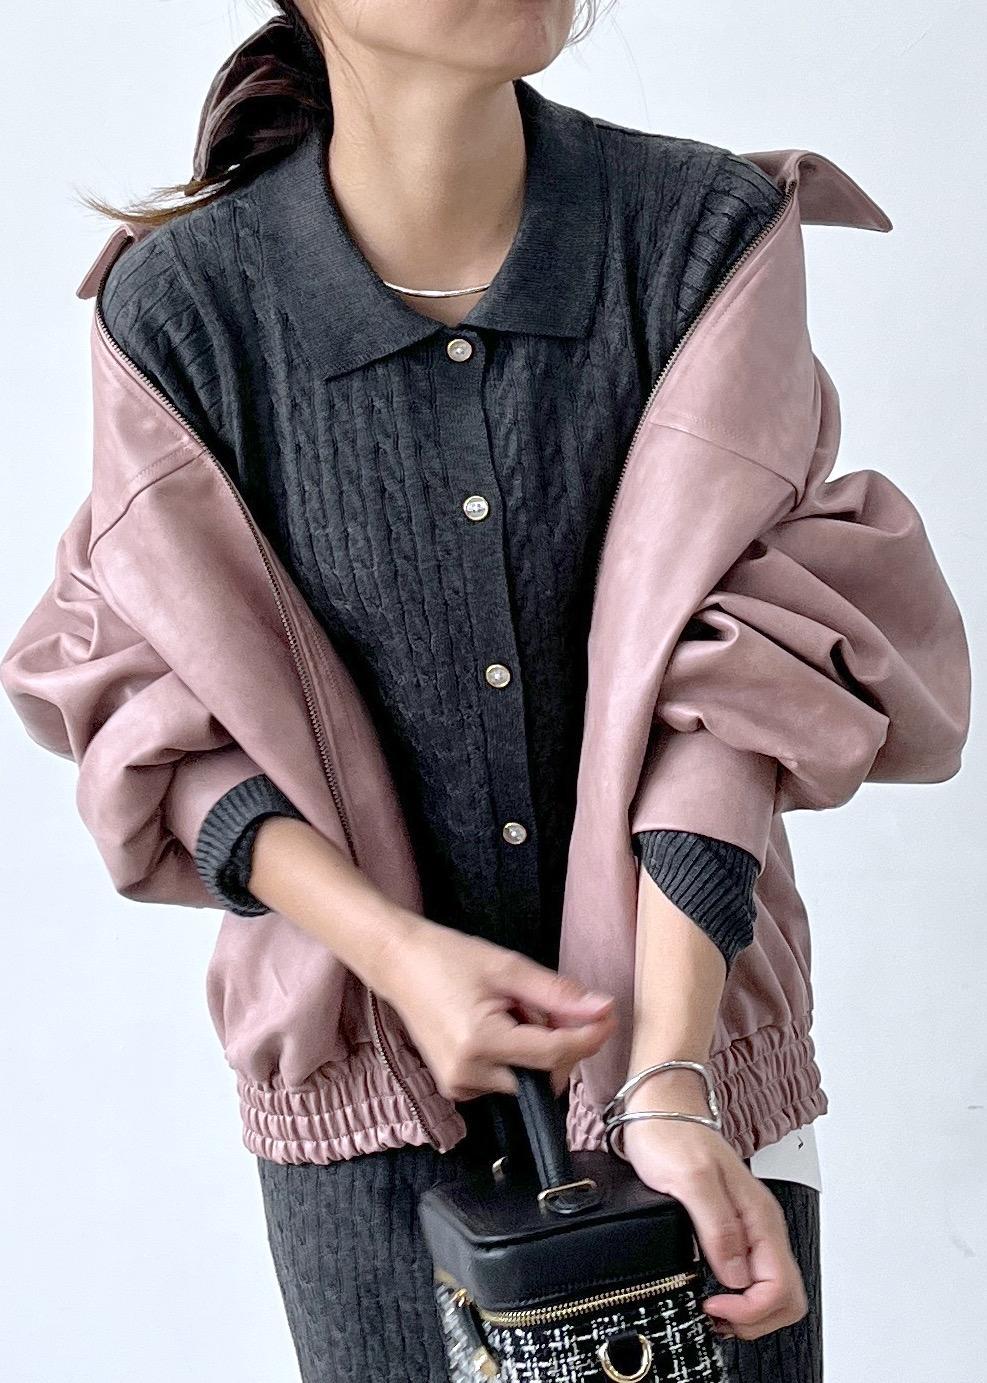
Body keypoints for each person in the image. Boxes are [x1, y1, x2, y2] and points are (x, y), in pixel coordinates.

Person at [1, 4, 969, 1381]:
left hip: (693, 1071)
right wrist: (399, 958)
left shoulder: (694, 234)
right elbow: (154, 697)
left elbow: (751, 663)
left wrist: (667, 1070)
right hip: (365, 1093)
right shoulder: (186, 310)